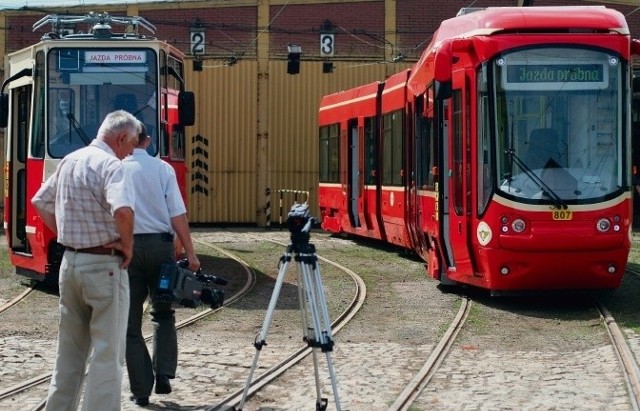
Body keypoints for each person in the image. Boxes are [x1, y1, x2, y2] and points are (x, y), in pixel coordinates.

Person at [32, 110, 140, 411]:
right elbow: (123, 211)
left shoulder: (70, 161)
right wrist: (127, 246)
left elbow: (39, 201)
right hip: (104, 268)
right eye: (130, 145)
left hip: (70, 264)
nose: (130, 152)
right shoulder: (111, 166)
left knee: (69, 354)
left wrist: (67, 233)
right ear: (119, 138)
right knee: (107, 356)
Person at [123, 123, 201, 406]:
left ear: (128, 140)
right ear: (149, 140)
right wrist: (190, 253)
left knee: (130, 323)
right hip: (161, 248)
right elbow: (177, 213)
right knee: (163, 312)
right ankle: (164, 373)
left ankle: (141, 389)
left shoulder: (117, 169)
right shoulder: (163, 169)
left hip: (128, 249)